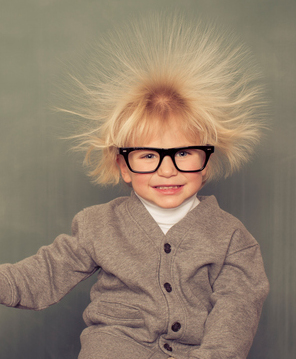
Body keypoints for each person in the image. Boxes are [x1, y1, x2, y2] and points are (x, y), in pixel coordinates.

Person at [0, 14, 269, 359]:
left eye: (184, 153)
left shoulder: (233, 238)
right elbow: (41, 276)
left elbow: (237, 311)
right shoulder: (97, 226)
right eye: (147, 156)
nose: (167, 170)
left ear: (206, 163)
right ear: (122, 166)